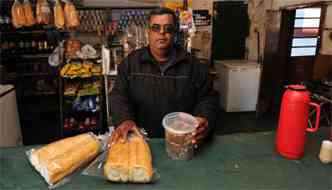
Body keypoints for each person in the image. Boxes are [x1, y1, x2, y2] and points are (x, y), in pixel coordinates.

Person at [109, 7, 219, 147]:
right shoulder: (131, 63)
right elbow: (118, 95)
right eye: (156, 28)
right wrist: (124, 120)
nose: (162, 33)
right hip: (141, 141)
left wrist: (205, 119)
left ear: (175, 33)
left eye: (168, 28)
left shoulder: (193, 65)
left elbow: (208, 98)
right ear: (148, 32)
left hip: (183, 142)